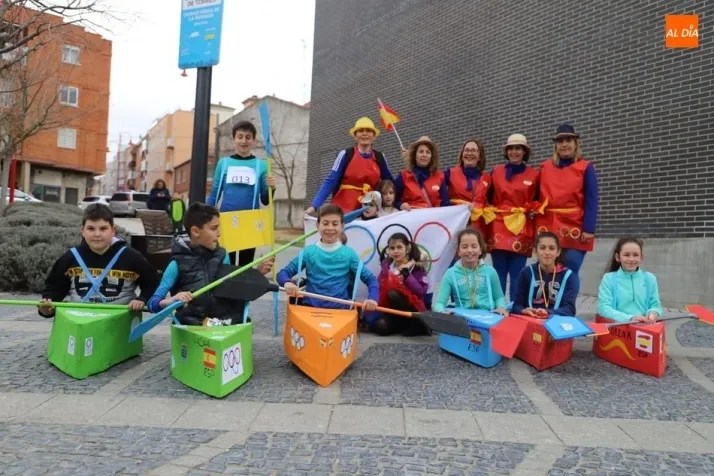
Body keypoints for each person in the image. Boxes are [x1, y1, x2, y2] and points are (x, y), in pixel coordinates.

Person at [147, 203, 274, 326]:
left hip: (224, 324)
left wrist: (257, 273)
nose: (219, 233)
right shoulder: (176, 263)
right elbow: (153, 304)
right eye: (214, 228)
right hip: (193, 327)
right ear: (196, 231)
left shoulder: (223, 256)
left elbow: (234, 290)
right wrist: (172, 300)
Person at [38, 204, 160, 317]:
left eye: (103, 229)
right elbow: (55, 287)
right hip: (79, 320)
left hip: (119, 321)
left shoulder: (131, 257)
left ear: (113, 230)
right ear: (82, 231)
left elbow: (153, 282)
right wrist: (48, 306)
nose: (97, 234)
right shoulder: (71, 257)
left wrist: (142, 299)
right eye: (91, 228)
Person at [277, 204, 379, 311]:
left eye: (335, 224)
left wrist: (372, 298)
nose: (330, 228)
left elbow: (371, 279)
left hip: (340, 312)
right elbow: (282, 274)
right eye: (325, 223)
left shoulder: (349, 254)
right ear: (317, 225)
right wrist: (287, 283)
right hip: (310, 311)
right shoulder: (308, 252)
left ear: (342, 226)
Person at [207, 120, 277, 267]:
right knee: (226, 265)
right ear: (234, 139)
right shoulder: (223, 163)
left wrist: (272, 188)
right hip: (226, 220)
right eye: (240, 137)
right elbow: (214, 193)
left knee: (245, 266)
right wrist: (205, 216)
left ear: (254, 141)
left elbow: (265, 200)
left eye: (248, 137)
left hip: (250, 222)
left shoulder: (262, 165)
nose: (243, 141)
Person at [535, 124, 599, 274]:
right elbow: (535, 196)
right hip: (548, 224)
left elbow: (591, 199)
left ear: (575, 143)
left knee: (570, 270)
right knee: (546, 271)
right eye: (560, 141)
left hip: (574, 225)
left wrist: (589, 228)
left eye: (568, 140)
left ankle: (569, 292)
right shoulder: (544, 168)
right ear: (556, 146)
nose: (564, 144)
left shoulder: (585, 167)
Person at [489, 134, 540, 299]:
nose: (514, 152)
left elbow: (538, 200)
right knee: (499, 273)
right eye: (511, 148)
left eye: (518, 148)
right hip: (499, 225)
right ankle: (498, 306)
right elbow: (487, 197)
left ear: (524, 152)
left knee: (518, 273)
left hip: (522, 227)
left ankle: (515, 307)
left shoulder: (534, 174)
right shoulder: (496, 172)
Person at [306, 117, 392, 215]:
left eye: (368, 131)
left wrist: (400, 204)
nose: (364, 133)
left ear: (374, 137)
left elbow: (390, 184)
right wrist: (314, 206)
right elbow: (331, 181)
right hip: (343, 210)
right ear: (355, 136)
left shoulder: (380, 157)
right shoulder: (345, 154)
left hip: (369, 211)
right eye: (360, 131)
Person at [365, 232, 429, 336]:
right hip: (393, 311)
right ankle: (402, 325)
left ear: (407, 249)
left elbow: (421, 293)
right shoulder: (387, 267)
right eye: (392, 248)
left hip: (412, 310)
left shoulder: (417, 267)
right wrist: (371, 301)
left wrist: (407, 276)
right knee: (381, 326)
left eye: (399, 247)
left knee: (393, 294)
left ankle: (417, 325)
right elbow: (378, 287)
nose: (396, 251)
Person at [433, 229, 508, 316]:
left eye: (474, 246)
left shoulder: (490, 272)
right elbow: (439, 303)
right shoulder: (450, 274)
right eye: (464, 247)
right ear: (458, 251)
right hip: (462, 318)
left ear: (480, 249)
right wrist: (441, 311)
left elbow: (499, 297)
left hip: (488, 317)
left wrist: (501, 307)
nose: (469, 250)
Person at [512, 232, 579, 317]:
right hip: (530, 319)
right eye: (542, 248)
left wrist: (548, 312)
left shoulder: (568, 276)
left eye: (551, 248)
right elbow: (516, 306)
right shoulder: (526, 272)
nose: (547, 252)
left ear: (558, 252)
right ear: (535, 251)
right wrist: (523, 310)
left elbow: (570, 309)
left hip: (556, 320)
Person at [596, 237, 662, 323]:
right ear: (618, 257)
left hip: (644, 327)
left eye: (635, 255)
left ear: (641, 257)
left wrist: (654, 312)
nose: (631, 259)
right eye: (626, 255)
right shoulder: (608, 278)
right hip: (617, 328)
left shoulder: (650, 278)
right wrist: (630, 318)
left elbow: (656, 305)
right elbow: (603, 308)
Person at [444, 139, 492, 242]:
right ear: (462, 155)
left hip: (478, 228)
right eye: (467, 150)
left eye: (474, 150)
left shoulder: (487, 178)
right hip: (456, 225)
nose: (470, 153)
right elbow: (432, 185)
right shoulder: (449, 173)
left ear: (480, 157)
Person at [395, 136, 449, 210]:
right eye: (421, 151)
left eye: (428, 152)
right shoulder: (403, 176)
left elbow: (445, 205)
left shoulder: (440, 176)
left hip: (434, 217)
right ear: (415, 155)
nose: (424, 155)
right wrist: (400, 205)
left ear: (431, 156)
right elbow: (393, 201)